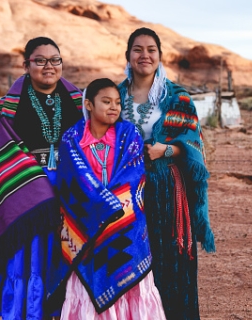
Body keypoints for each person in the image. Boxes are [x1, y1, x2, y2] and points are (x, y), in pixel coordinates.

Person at [0, 36, 83, 319]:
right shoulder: (9, 106)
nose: (48, 66)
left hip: (71, 190)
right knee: (31, 257)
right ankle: (27, 311)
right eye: (40, 60)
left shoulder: (79, 102)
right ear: (26, 64)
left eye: (55, 60)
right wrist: (38, 185)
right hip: (26, 192)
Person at [117, 27, 216, 320]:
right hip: (124, 193)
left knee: (170, 262)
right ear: (128, 55)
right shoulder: (113, 95)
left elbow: (194, 148)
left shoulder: (177, 98)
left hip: (167, 192)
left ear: (160, 56)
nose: (144, 55)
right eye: (138, 49)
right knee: (130, 262)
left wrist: (166, 150)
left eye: (151, 50)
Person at [54, 78, 166, 319]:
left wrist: (109, 208)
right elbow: (71, 183)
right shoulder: (71, 139)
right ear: (89, 105)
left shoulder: (129, 134)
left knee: (131, 286)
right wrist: (100, 207)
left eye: (117, 102)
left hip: (124, 226)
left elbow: (133, 177)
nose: (114, 107)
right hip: (86, 229)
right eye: (106, 101)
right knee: (87, 287)